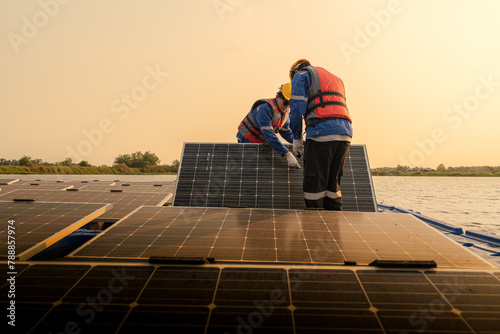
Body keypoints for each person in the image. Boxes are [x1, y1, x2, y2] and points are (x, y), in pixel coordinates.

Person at [288, 59, 353, 210]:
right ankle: (333, 225)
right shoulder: (336, 79)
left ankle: (315, 226)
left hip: (321, 133)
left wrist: (297, 140)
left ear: (295, 72)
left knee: (314, 186)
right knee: (333, 185)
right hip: (345, 134)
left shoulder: (301, 76)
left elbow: (296, 111)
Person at [237, 83, 301, 168]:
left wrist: (298, 142)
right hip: (247, 142)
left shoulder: (285, 113)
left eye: (291, 103)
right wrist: (287, 153)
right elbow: (269, 135)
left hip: (262, 144)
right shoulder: (264, 109)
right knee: (250, 172)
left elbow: (286, 133)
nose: (288, 106)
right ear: (278, 97)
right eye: (286, 102)